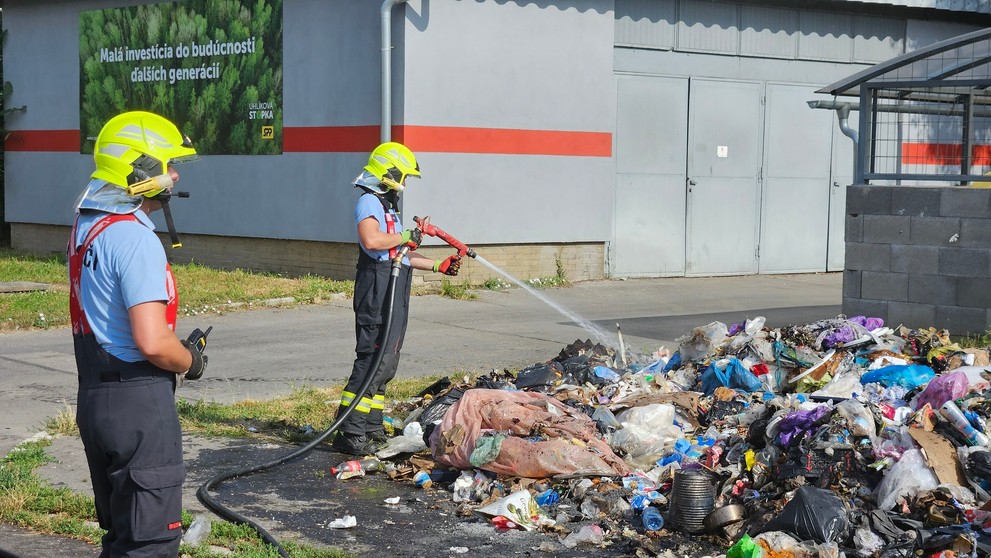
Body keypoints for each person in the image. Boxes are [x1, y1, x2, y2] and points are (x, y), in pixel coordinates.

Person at [68, 110, 209, 557]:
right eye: (167, 164)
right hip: (138, 403)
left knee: (121, 539)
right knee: (150, 544)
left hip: (95, 397)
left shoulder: (88, 224)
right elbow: (151, 342)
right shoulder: (133, 237)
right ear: (139, 169)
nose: (175, 174)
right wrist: (191, 360)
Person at [333, 141, 462, 455]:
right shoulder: (369, 202)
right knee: (371, 359)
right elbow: (372, 239)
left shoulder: (388, 207)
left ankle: (371, 425)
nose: (402, 186)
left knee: (387, 360)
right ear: (387, 174)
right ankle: (350, 431)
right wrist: (406, 236)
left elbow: (400, 255)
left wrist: (437, 265)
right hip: (375, 286)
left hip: (393, 285)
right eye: (401, 178)